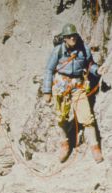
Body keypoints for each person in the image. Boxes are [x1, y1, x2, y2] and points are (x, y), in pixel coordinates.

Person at [43, 23, 106, 163]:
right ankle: (64, 145)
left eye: (74, 36)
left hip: (78, 86)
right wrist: (47, 91)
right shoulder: (58, 51)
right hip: (61, 86)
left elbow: (90, 65)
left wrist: (97, 71)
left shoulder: (84, 50)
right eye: (69, 36)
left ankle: (95, 148)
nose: (72, 38)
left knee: (87, 118)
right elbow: (48, 70)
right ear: (64, 38)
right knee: (61, 118)